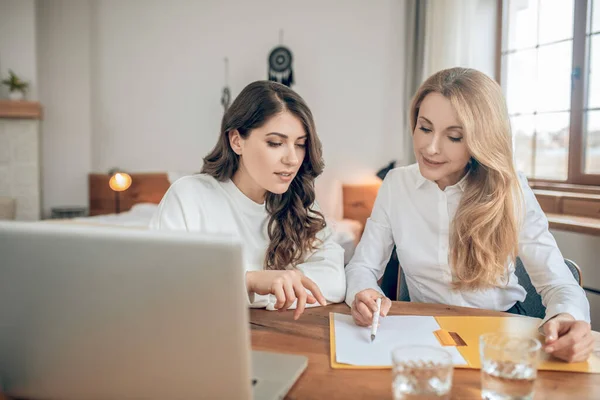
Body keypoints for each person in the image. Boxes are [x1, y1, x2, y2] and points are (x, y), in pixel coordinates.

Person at [345, 67, 593, 363]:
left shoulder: (509, 188)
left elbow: (558, 283)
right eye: (424, 128)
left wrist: (569, 316)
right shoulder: (396, 185)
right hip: (423, 334)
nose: (430, 147)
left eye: (454, 136)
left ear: (479, 141)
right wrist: (363, 293)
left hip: (499, 331)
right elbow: (363, 266)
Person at [150, 81, 346, 319]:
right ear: (236, 141)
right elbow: (163, 288)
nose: (293, 159)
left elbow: (334, 280)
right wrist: (250, 281)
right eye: (275, 143)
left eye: (300, 144)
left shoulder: (301, 203)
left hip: (280, 336)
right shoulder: (189, 196)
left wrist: (259, 290)